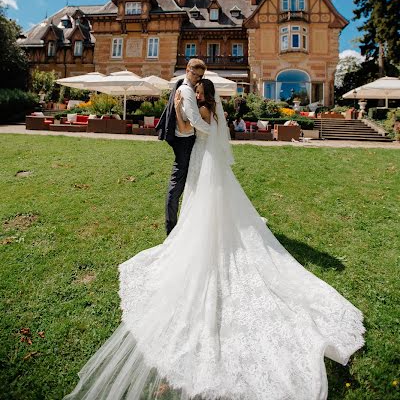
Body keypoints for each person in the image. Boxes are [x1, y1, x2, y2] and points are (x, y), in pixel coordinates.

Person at [64, 81, 364, 400]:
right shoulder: (216, 113)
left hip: (203, 164)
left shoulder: (203, 109)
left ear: (204, 95)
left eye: (199, 91)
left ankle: (203, 232)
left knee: (201, 202)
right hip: (213, 164)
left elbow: (187, 126)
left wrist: (181, 107)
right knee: (220, 202)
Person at [156, 58, 210, 235]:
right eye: (196, 75)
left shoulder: (185, 86)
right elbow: (194, 121)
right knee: (176, 185)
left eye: (201, 76)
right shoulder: (186, 90)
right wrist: (214, 131)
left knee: (189, 181)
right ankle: (171, 228)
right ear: (188, 70)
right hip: (184, 141)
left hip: (185, 139)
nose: (198, 79)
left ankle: (191, 221)